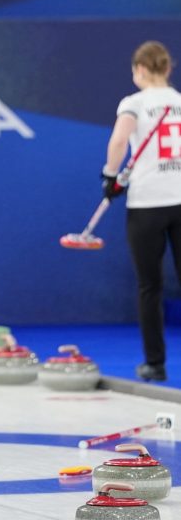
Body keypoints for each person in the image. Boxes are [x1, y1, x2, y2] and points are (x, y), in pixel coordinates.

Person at [101, 40, 181, 383]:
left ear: (141, 70)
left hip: (147, 203)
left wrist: (109, 175)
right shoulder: (179, 101)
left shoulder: (134, 103)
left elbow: (120, 141)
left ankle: (155, 364)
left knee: (150, 286)